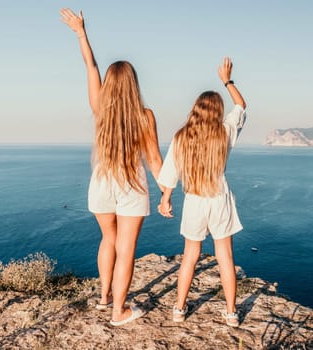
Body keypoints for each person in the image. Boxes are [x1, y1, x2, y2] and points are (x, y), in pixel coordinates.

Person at [60, 8, 163, 326]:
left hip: (101, 182)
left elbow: (90, 66)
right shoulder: (145, 116)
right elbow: (155, 159)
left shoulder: (100, 108)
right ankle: (120, 311)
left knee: (108, 240)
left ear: (110, 83)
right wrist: (167, 191)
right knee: (126, 247)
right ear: (133, 83)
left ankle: (105, 298)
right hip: (131, 185)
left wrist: (81, 32)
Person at [157, 57, 246, 327]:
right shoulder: (225, 132)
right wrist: (227, 81)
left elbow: (170, 171)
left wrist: (165, 198)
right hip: (219, 197)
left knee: (190, 256)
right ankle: (231, 313)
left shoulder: (182, 136)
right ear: (218, 111)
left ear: (195, 109)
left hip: (194, 199)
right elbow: (241, 106)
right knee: (225, 257)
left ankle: (179, 308)